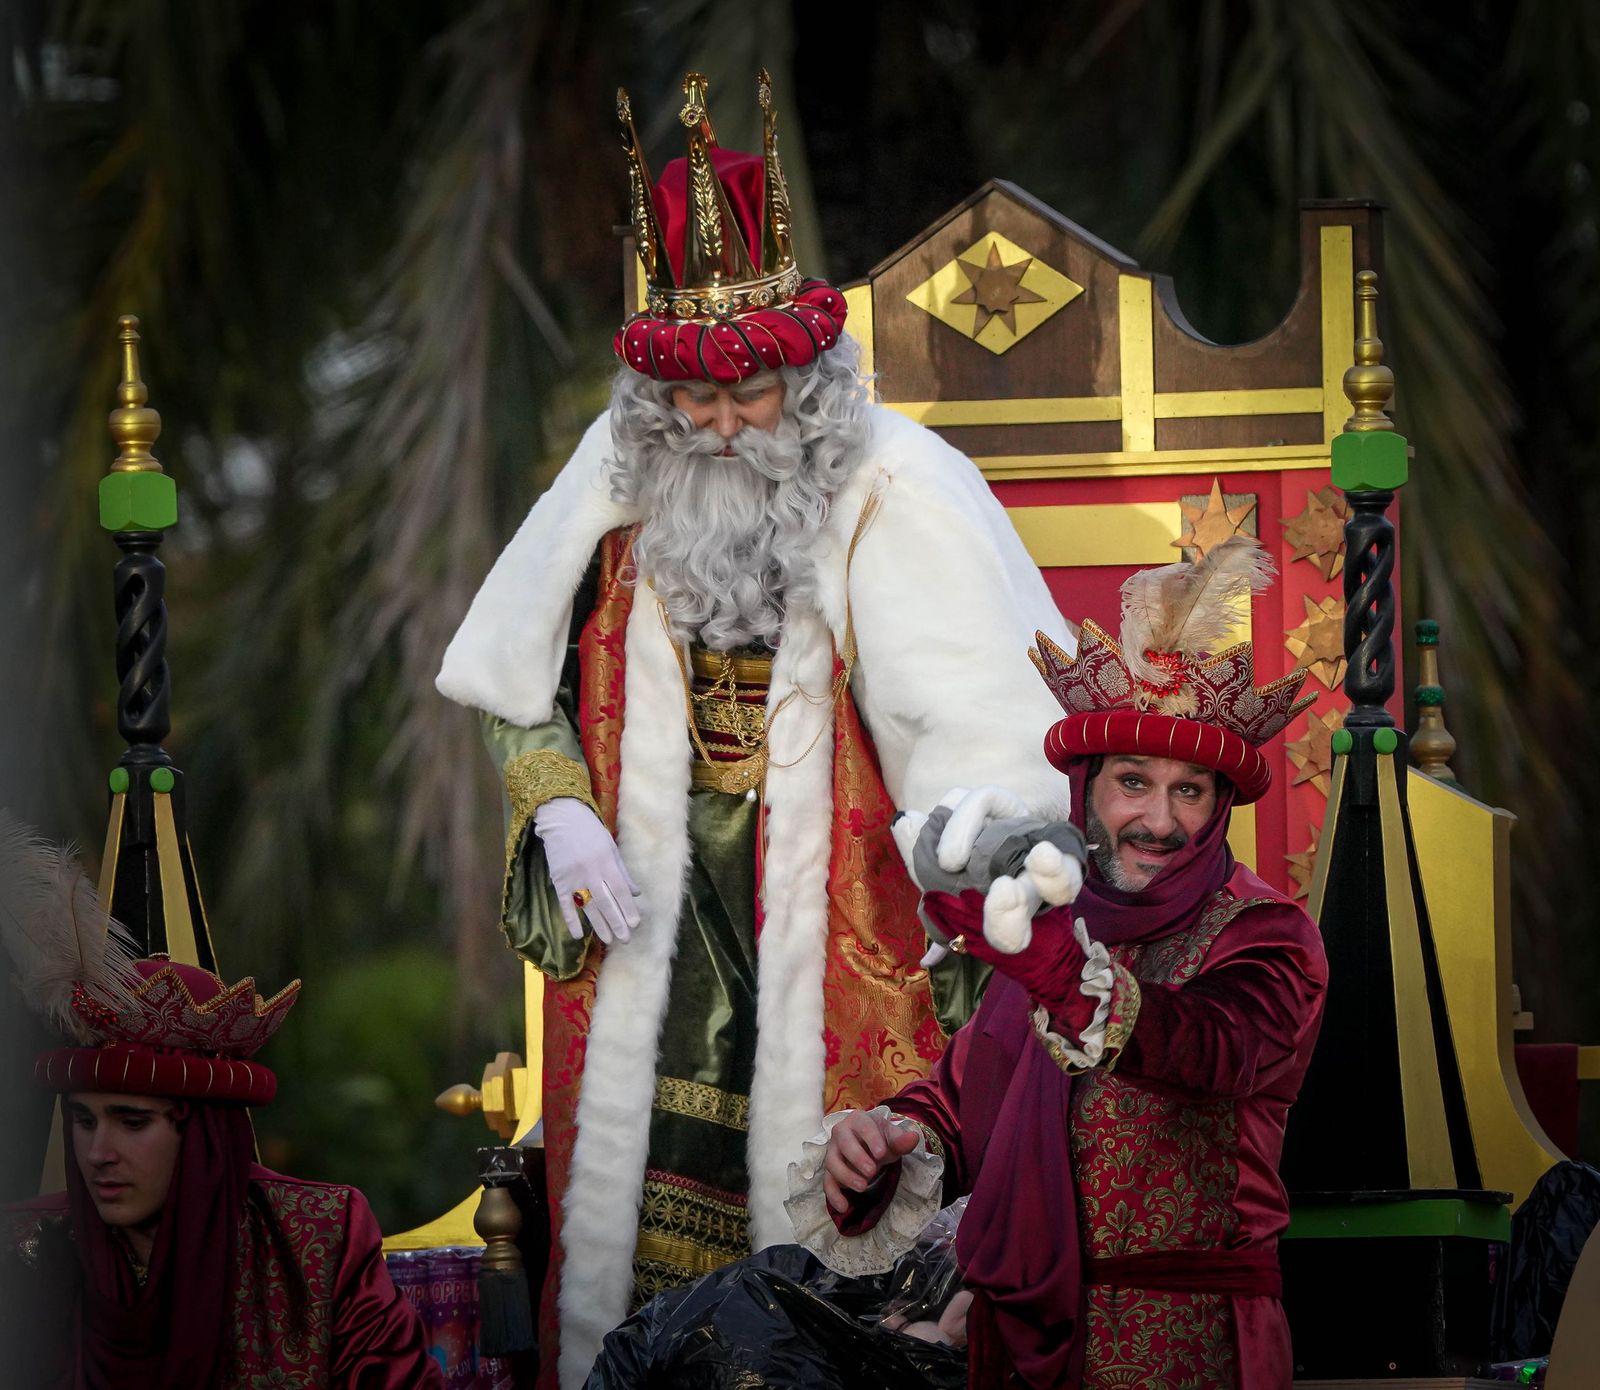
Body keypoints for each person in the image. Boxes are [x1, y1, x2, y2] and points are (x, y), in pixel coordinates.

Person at [435, 71, 1072, 1386]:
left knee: (835, 1277)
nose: (720, 429)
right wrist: (558, 809)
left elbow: (976, 733)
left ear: (809, 379)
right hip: (657, 943)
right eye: (692, 406)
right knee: (652, 1290)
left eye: (749, 396)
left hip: (852, 937)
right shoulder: (617, 484)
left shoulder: (901, 490)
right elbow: (513, 680)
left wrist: (980, 862)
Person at [789, 537, 1329, 1388]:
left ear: (1220, 806)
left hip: (1190, 1349)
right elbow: (965, 1101)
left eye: (1188, 790)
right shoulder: (1055, 924)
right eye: (1133, 783)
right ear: (1088, 791)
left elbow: (1214, 1048)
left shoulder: (1266, 934)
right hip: (1021, 1354)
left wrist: (1073, 990)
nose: (1157, 818)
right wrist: (890, 1140)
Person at [0, 828, 446, 1390]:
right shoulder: (23, 1250)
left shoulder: (318, 1239)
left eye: (132, 1122)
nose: (98, 1153)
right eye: (84, 1122)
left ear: (203, 1133)